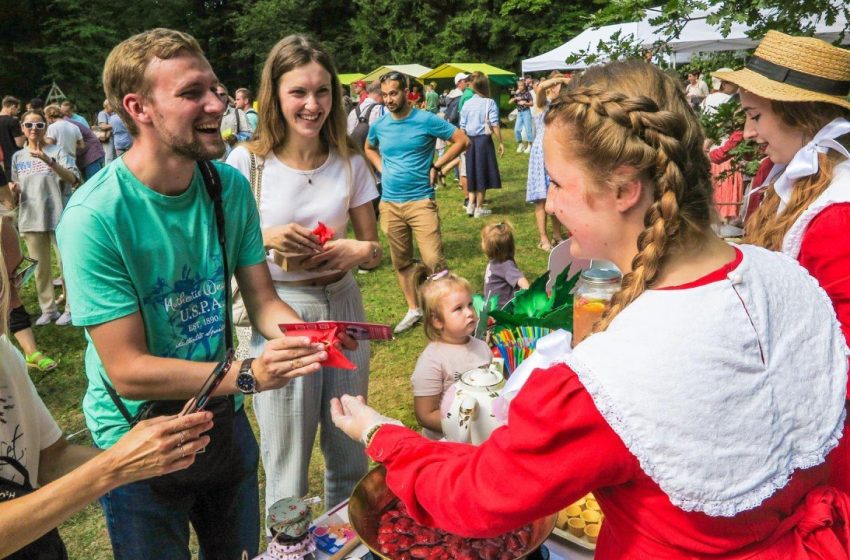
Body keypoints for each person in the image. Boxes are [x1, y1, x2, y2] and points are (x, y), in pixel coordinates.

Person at [330, 60, 850, 558]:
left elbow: (480, 495)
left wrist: (384, 436)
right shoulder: (785, 277)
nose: (550, 203)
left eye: (557, 184)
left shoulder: (613, 377)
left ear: (624, 189)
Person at [55, 28, 329, 560]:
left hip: (220, 416)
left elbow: (263, 300)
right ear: (139, 108)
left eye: (216, 88)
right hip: (139, 437)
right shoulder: (95, 217)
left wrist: (307, 335)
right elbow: (127, 368)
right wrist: (249, 374)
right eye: (191, 93)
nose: (216, 104)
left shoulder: (227, 186)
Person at [225, 34, 381, 515]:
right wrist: (266, 235)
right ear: (275, 95)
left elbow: (374, 251)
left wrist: (360, 249)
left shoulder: (350, 160)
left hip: (344, 304)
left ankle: (346, 544)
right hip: (280, 313)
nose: (312, 105)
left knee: (351, 450)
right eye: (299, 92)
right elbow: (220, 251)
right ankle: (289, 548)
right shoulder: (246, 163)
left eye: (322, 92)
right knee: (288, 463)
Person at [715, 31, 850, 494]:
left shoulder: (836, 213)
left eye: (755, 116)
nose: (748, 133)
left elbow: (839, 356)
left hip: (826, 441)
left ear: (800, 116)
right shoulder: (786, 181)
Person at [364, 71, 468, 334]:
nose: (388, 99)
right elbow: (368, 147)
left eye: (394, 93)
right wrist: (381, 169)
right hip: (389, 203)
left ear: (407, 92)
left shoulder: (426, 120)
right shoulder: (380, 125)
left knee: (434, 261)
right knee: (401, 262)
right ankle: (414, 308)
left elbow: (461, 140)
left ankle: (445, 310)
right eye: (385, 94)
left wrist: (438, 165)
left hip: (421, 200)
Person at [10, 110, 77, 327]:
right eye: (29, 125)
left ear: (45, 127)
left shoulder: (57, 151)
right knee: (40, 268)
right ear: (22, 128)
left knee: (66, 264)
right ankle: (48, 309)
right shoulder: (17, 157)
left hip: (58, 216)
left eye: (39, 125)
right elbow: (15, 191)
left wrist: (50, 162)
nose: (33, 129)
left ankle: (71, 308)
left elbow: (73, 178)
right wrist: (13, 190)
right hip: (31, 217)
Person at [409, 267, 492, 440]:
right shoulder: (432, 361)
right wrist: (468, 426)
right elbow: (425, 414)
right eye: (458, 309)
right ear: (437, 320)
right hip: (445, 444)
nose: (469, 312)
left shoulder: (482, 347)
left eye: (470, 304)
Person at [527, 74, 570, 250]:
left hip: (557, 151)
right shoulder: (542, 102)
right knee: (541, 198)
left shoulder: (562, 105)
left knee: (556, 195)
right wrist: (558, 79)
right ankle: (543, 238)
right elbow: (542, 87)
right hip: (541, 152)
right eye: (558, 84)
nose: (561, 87)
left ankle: (557, 235)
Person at [458, 72, 503, 218]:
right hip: (483, 141)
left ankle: (470, 205)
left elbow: (462, 126)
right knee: (482, 173)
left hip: (469, 141)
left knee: (471, 172)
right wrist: (501, 142)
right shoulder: (489, 103)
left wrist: (463, 144)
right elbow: (495, 124)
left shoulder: (466, 103)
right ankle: (478, 208)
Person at [481, 221, 529, 308]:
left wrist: (530, 296)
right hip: (495, 311)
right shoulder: (496, 261)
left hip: (503, 313)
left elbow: (522, 281)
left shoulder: (505, 265)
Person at [509, 79, 534, 153]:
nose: (520, 87)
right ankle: (521, 145)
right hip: (519, 113)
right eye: (519, 85)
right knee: (516, 129)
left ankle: (530, 146)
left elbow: (532, 104)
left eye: (521, 85)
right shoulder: (517, 94)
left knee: (528, 130)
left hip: (526, 112)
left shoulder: (527, 94)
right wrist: (515, 98)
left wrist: (525, 103)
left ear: (524, 86)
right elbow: (509, 102)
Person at [0, 96, 24, 171]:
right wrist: (24, 132)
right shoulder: (13, 121)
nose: (17, 112)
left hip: (2, 160)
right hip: (14, 159)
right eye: (18, 109)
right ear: (13, 106)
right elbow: (20, 143)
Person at [96, 100, 116, 165]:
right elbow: (103, 126)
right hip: (107, 138)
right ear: (106, 106)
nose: (113, 107)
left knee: (114, 156)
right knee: (109, 156)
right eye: (111, 105)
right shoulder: (102, 114)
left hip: (114, 136)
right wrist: (115, 123)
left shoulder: (113, 113)